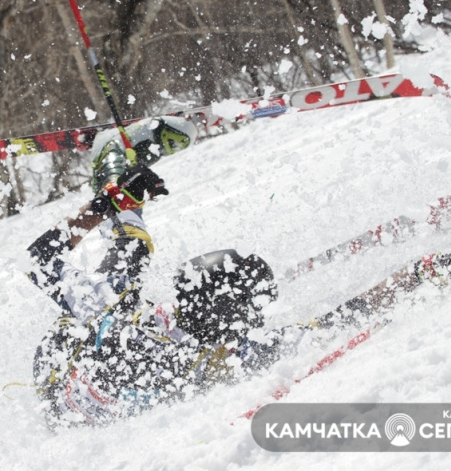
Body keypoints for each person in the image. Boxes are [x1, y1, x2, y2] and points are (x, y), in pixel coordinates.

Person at [25, 116, 279, 426]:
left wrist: (106, 203)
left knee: (133, 250)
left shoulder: (114, 317)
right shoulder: (223, 346)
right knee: (132, 269)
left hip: (60, 374)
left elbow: (37, 260)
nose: (178, 303)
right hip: (96, 386)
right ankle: (121, 190)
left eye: (185, 300)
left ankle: (112, 165)